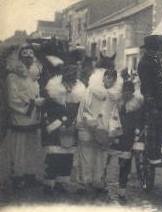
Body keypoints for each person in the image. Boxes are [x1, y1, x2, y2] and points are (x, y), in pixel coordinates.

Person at [5, 43, 45, 189]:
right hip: (21, 117)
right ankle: (18, 176)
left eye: (31, 54)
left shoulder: (34, 76)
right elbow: (12, 99)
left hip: (33, 117)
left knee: (32, 147)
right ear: (20, 57)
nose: (28, 56)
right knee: (19, 148)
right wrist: (33, 103)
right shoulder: (13, 76)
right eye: (25, 54)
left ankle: (30, 175)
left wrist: (38, 103)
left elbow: (35, 93)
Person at [76, 69, 122, 192]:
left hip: (104, 130)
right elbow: (84, 108)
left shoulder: (113, 95)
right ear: (103, 77)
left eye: (113, 78)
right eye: (108, 77)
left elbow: (114, 113)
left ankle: (98, 181)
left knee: (101, 157)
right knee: (87, 155)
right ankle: (85, 181)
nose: (110, 80)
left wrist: (112, 129)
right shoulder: (91, 90)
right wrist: (92, 123)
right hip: (88, 127)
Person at [41, 65, 86, 193]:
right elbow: (48, 109)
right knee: (54, 156)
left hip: (71, 125)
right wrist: (60, 119)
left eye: (73, 76)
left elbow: (80, 109)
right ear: (63, 77)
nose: (70, 79)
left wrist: (73, 120)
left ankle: (62, 182)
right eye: (68, 76)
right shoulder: (52, 91)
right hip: (56, 125)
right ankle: (49, 183)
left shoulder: (80, 91)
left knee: (67, 156)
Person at [106, 80, 144, 202]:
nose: (127, 94)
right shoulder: (117, 102)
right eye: (125, 92)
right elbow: (111, 117)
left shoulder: (137, 104)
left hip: (128, 138)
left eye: (129, 92)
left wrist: (137, 140)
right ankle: (102, 183)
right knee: (106, 161)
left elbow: (139, 123)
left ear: (133, 93)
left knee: (125, 165)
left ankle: (122, 192)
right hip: (114, 135)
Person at [137, 36, 162, 167]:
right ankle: (153, 155)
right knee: (154, 125)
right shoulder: (144, 63)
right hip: (151, 98)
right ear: (147, 50)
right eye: (152, 50)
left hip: (160, 97)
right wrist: (150, 101)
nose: (155, 52)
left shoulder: (155, 60)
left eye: (156, 49)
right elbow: (147, 84)